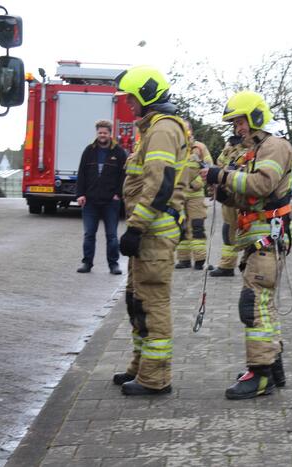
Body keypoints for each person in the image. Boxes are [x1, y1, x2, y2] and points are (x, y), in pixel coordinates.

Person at [202, 91, 292, 399]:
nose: (237, 128)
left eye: (240, 121)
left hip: (268, 240)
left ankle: (261, 375)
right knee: (263, 307)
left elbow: (263, 184)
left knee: (253, 305)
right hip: (257, 241)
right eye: (235, 122)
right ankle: (273, 366)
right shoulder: (254, 150)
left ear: (255, 117)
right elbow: (249, 196)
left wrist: (222, 174)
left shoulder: (275, 146)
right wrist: (223, 191)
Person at [113, 65, 189, 396]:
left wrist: (136, 226)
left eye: (131, 99)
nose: (128, 105)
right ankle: (140, 365)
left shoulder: (162, 130)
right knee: (137, 300)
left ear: (146, 96)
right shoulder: (155, 129)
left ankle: (155, 378)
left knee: (152, 302)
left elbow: (159, 185)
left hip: (153, 232)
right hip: (148, 232)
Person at [76, 119, 127, 275]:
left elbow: (124, 175)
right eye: (100, 133)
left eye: (105, 133)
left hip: (111, 202)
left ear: (110, 134)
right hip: (90, 201)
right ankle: (87, 263)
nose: (102, 135)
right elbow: (81, 174)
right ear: (96, 133)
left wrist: (118, 194)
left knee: (111, 235)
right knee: (89, 234)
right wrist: (80, 194)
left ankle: (114, 265)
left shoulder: (118, 152)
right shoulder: (88, 151)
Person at [208, 135, 249, 277]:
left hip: (237, 195)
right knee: (228, 230)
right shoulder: (229, 149)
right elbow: (221, 165)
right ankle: (227, 265)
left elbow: (240, 170)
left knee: (239, 230)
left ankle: (240, 264)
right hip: (227, 195)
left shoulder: (247, 148)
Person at [175, 122, 213, 270]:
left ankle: (200, 260)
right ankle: (183, 259)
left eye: (186, 128)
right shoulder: (175, 147)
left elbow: (209, 168)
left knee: (197, 227)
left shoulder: (200, 148)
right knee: (181, 227)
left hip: (196, 195)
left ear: (191, 130)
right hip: (179, 195)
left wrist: (197, 182)